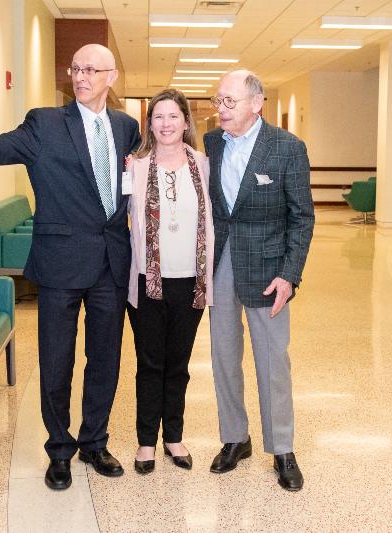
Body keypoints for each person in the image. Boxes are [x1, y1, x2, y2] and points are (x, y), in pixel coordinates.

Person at [0, 44, 141, 491]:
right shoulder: (45, 123)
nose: (80, 77)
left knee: (105, 359)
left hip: (111, 262)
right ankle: (59, 450)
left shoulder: (126, 127)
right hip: (60, 262)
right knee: (56, 361)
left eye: (91, 70)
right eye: (75, 68)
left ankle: (95, 441)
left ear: (111, 77)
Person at [204, 70, 314, 491]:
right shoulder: (212, 144)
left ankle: (282, 448)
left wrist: (289, 274)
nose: (221, 109)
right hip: (221, 263)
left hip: (269, 270)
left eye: (229, 101)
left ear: (256, 103)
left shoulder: (287, 147)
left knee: (272, 361)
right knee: (223, 356)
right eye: (218, 100)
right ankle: (235, 438)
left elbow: (302, 217)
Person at [125, 89, 214, 475]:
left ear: (185, 122)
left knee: (178, 364)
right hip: (148, 281)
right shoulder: (135, 167)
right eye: (158, 117)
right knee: (149, 364)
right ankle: (146, 441)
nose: (166, 124)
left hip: (191, 282)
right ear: (150, 124)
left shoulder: (203, 164)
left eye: (173, 116)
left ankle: (173, 437)